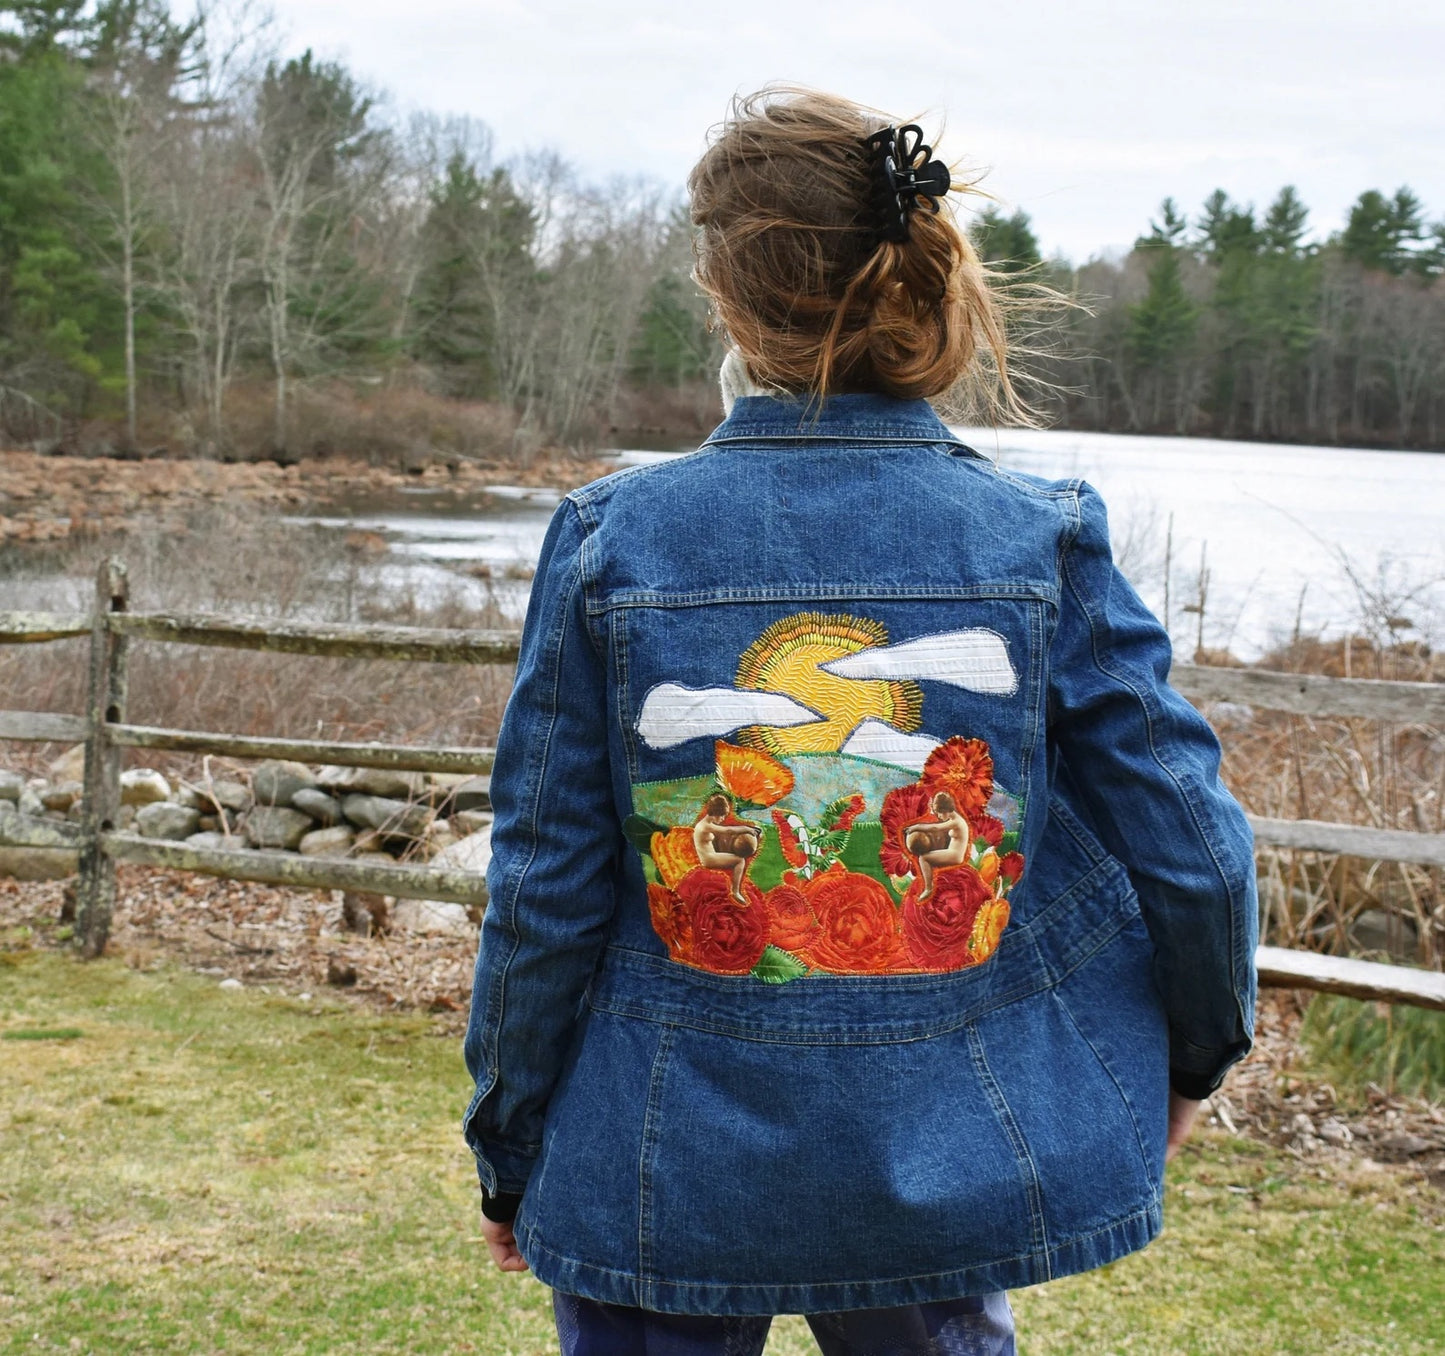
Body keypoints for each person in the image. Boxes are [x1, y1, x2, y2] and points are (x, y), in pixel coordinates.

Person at [464, 86, 1257, 1356]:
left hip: (661, 1162)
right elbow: (1193, 847)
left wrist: (509, 1140)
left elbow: (545, 887)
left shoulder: (612, 539)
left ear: (725, 292)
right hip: (934, 1156)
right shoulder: (1035, 538)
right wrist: (1197, 1053)